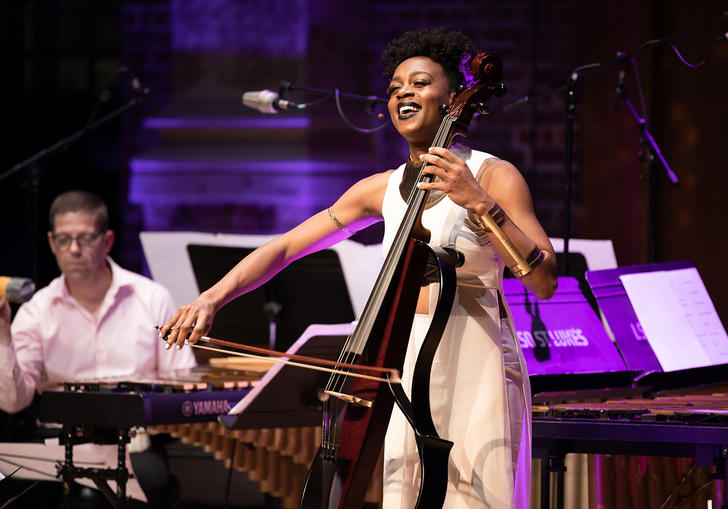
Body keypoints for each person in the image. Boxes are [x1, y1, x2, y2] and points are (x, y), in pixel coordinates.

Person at [161, 28, 557, 509]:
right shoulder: (381, 188)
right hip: (401, 361)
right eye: (394, 88)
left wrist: (479, 202)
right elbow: (287, 247)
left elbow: (544, 279)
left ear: (454, 97)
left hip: (476, 360)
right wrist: (211, 298)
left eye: (418, 83)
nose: (403, 94)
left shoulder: (494, 175)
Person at [0, 190, 196, 505]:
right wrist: (2, 337)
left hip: (133, 444)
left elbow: (182, 379)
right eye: (64, 240)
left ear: (107, 241)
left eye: (86, 239)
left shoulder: (151, 298)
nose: (74, 249)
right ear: (52, 243)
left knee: (119, 494)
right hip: (58, 441)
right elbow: (13, 402)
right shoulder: (37, 310)